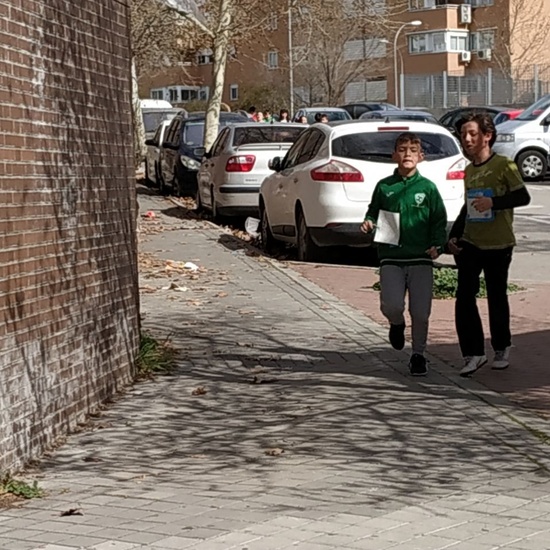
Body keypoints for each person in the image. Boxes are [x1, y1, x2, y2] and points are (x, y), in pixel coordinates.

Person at [448, 112, 531, 377]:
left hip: (499, 244)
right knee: (464, 296)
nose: (467, 139)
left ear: (487, 136)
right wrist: (455, 234)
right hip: (472, 242)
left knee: (496, 296)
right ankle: (473, 353)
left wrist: (494, 202)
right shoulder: (469, 170)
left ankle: (501, 347)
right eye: (463, 135)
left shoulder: (504, 165)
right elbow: (469, 205)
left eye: (472, 134)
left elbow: (523, 196)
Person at [361, 133, 447, 376]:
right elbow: (372, 212)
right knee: (391, 304)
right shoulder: (385, 186)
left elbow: (438, 221)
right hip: (391, 257)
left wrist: (437, 245)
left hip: (420, 258)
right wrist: (368, 222)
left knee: (420, 312)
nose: (407, 154)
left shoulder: (428, 188)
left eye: (412, 150)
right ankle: (396, 324)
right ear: (394, 155)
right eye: (402, 149)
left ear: (421, 156)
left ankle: (418, 355)